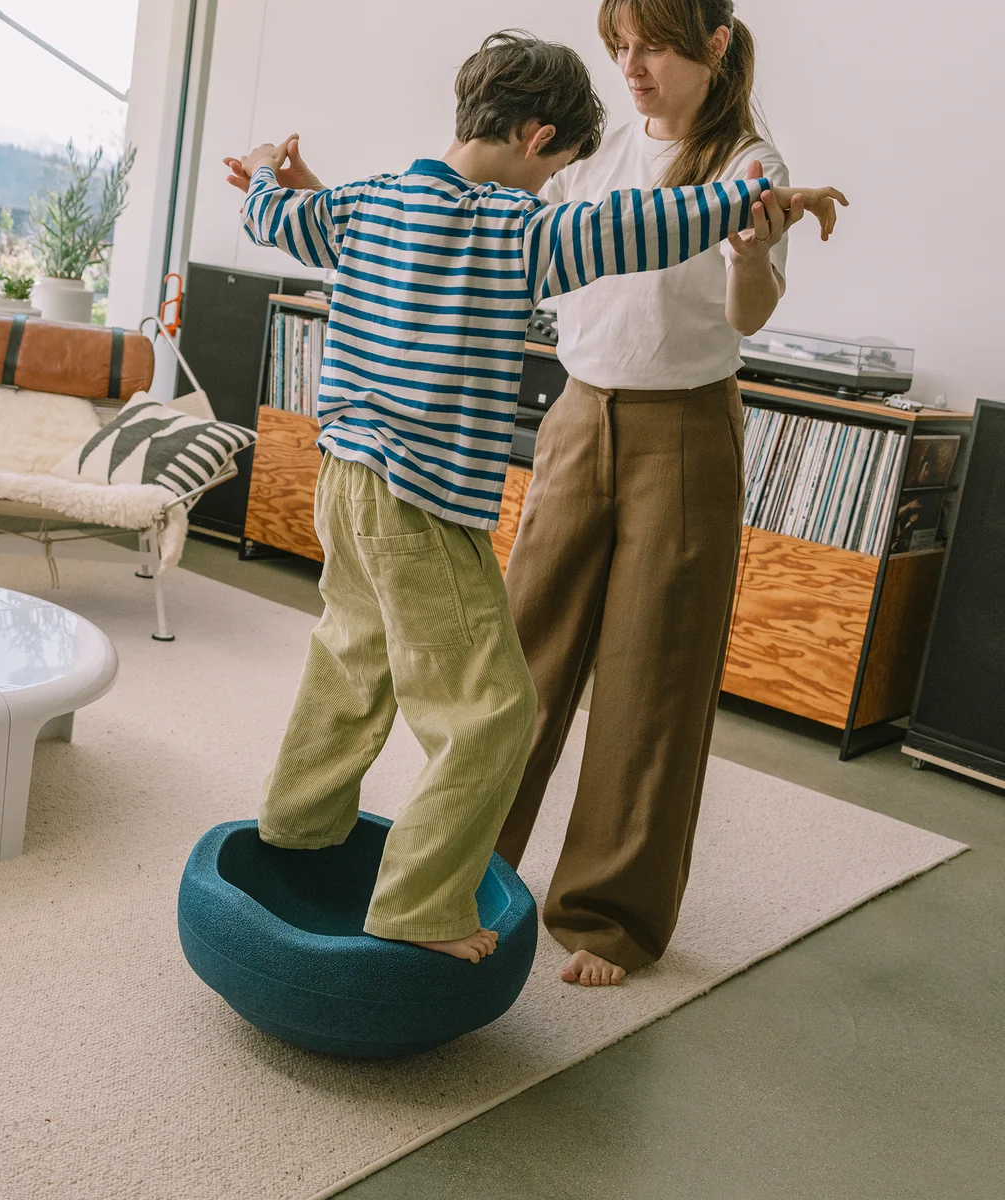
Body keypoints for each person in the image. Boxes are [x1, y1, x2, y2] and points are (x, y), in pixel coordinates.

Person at [229, 30, 843, 964]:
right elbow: (644, 225)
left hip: (341, 482)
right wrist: (760, 201)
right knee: (494, 712)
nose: (550, 184)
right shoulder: (522, 230)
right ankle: (419, 907)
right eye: (552, 169)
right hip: (422, 500)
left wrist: (271, 167)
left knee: (351, 662)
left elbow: (273, 213)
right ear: (536, 139)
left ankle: (297, 828)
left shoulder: (362, 203)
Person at [495, 0, 819, 987]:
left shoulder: (748, 164)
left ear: (713, 44)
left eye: (655, 46)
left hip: (685, 431)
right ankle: (464, 863)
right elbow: (509, 229)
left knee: (653, 678)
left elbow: (750, 314)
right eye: (620, 47)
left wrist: (749, 255)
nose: (632, 66)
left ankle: (608, 915)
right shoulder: (591, 149)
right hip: (578, 415)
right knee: (519, 655)